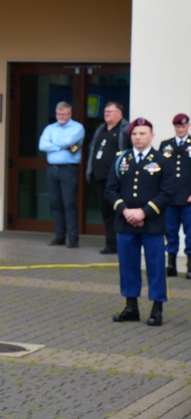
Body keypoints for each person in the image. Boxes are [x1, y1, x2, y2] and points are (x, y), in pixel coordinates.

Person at [107, 118, 170, 326]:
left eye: (142, 133)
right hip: (125, 223)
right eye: (134, 134)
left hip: (152, 223)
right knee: (128, 265)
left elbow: (166, 192)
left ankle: (157, 308)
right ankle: (131, 306)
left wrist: (144, 212)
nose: (138, 137)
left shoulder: (162, 160)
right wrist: (125, 211)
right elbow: (111, 189)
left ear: (151, 135)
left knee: (156, 266)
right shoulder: (121, 159)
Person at [85, 101, 131, 254]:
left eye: (110, 111)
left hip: (118, 180)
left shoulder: (125, 130)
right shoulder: (101, 129)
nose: (106, 114)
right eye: (105, 111)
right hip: (100, 178)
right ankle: (110, 244)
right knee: (106, 212)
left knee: (119, 210)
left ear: (120, 113)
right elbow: (93, 151)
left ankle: (122, 244)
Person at [38, 101, 85, 247]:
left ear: (70, 114)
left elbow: (70, 141)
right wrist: (61, 146)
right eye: (59, 113)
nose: (61, 116)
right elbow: (42, 145)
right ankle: (59, 237)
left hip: (68, 169)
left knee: (69, 203)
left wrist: (53, 145)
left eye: (64, 113)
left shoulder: (77, 127)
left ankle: (73, 239)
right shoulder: (50, 128)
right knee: (55, 203)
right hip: (52, 169)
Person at [158, 113, 191, 277]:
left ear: (188, 126)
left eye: (183, 126)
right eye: (178, 126)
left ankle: (190, 266)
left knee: (190, 232)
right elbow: (158, 170)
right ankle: (171, 264)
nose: (180, 129)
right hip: (170, 198)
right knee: (170, 231)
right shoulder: (166, 145)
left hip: (188, 199)